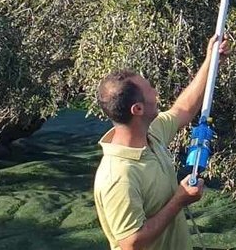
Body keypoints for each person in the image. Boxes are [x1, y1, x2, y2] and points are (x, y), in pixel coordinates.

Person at [93, 38, 228, 250]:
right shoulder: (118, 176)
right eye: (150, 91)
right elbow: (131, 243)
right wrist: (179, 201)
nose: (156, 93)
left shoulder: (151, 134)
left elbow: (182, 110)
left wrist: (211, 62)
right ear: (137, 109)